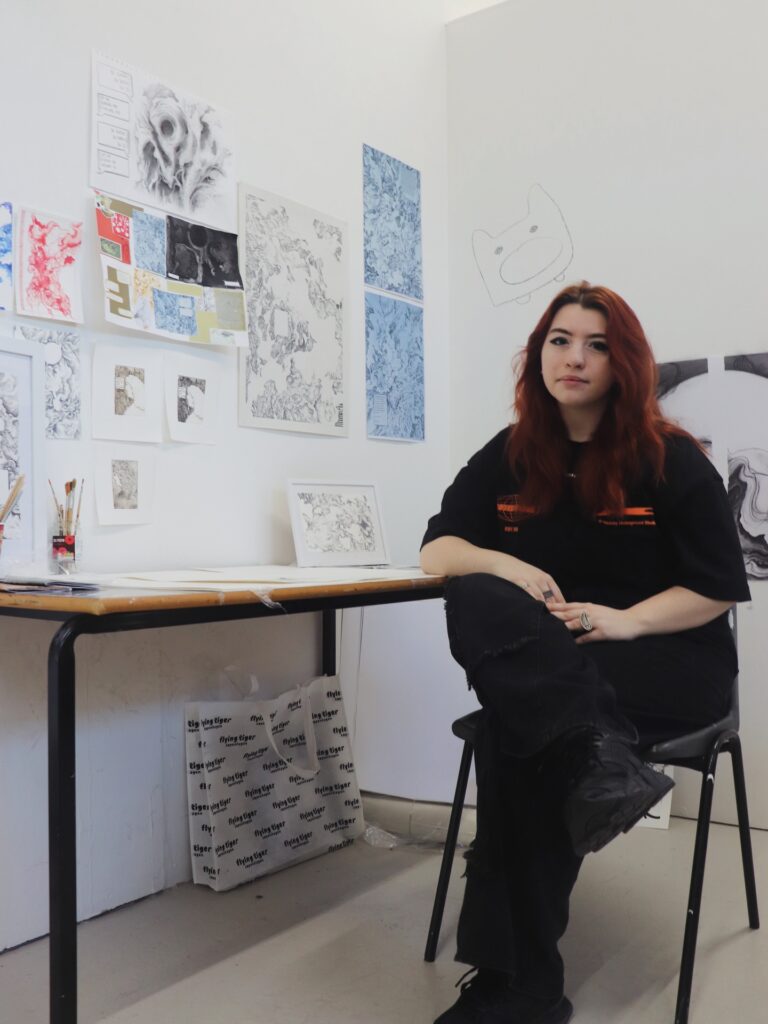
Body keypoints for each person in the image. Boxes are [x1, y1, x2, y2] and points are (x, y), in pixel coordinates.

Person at [420, 283, 750, 1024]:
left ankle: (522, 986)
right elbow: (437, 551)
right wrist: (507, 566)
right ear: (537, 355)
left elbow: (719, 588)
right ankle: (592, 758)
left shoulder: (668, 458)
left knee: (519, 735)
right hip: (557, 671)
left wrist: (626, 620)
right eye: (560, 340)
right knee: (472, 594)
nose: (574, 357)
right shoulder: (508, 456)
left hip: (667, 662)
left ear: (623, 362)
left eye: (596, 344)